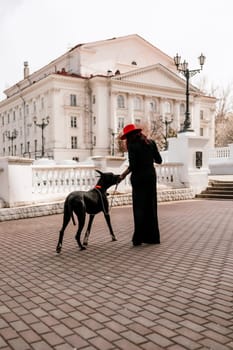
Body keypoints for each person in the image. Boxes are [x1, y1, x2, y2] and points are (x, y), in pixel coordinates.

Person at [119, 124, 162, 246]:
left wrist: (122, 175)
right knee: (151, 206)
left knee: (139, 208)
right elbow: (159, 160)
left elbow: (133, 166)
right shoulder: (151, 143)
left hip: (138, 178)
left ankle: (138, 238)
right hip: (150, 177)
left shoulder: (132, 146)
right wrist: (147, 159)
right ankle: (153, 237)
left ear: (129, 137)